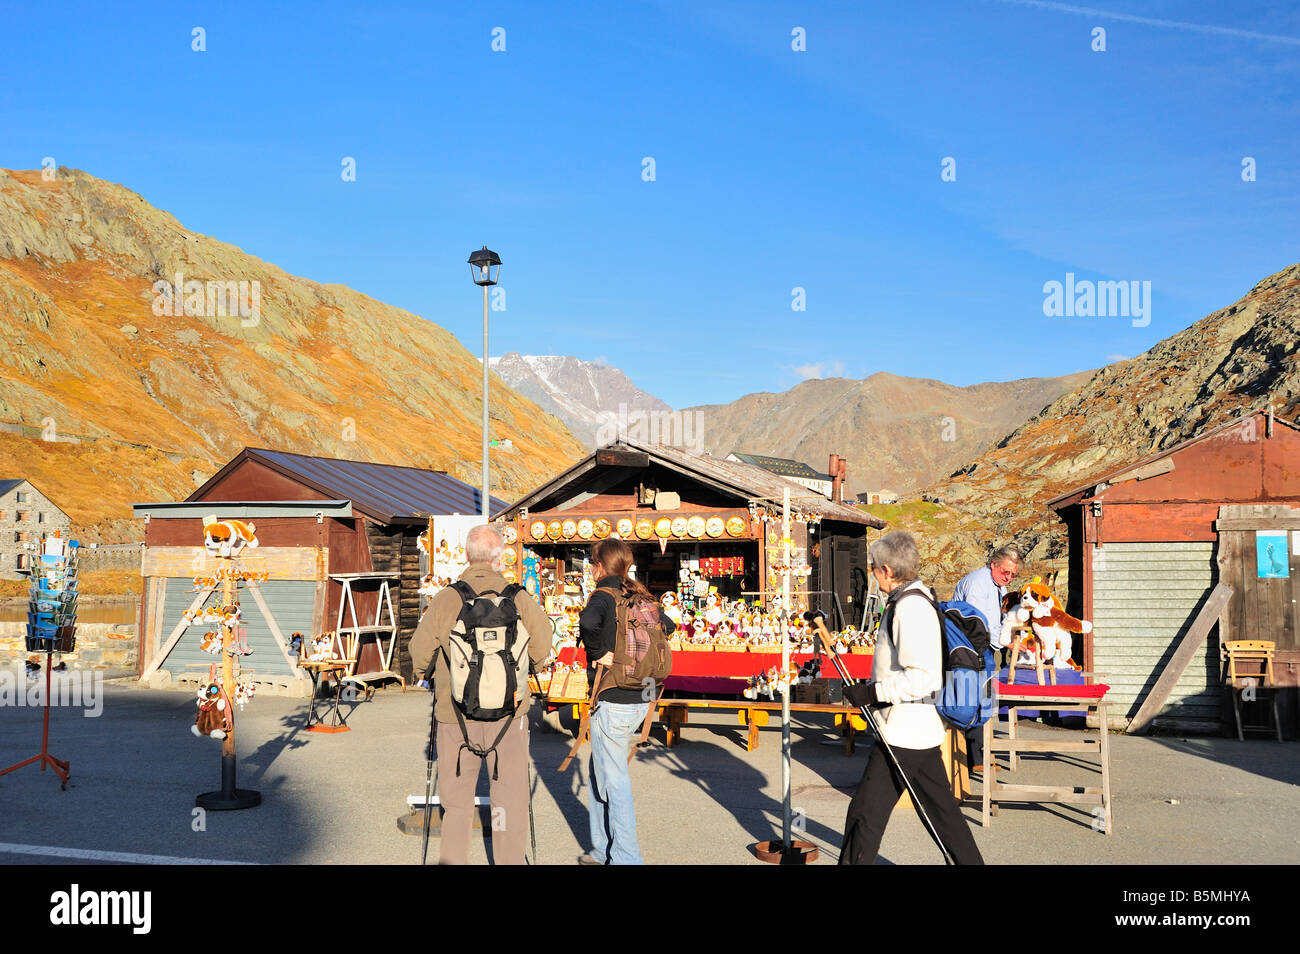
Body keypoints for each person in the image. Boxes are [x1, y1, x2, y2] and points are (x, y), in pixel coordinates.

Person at [409, 525, 553, 865]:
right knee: (508, 801)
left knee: (457, 804)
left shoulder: (447, 598)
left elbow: (418, 652)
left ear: (466, 556)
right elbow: (543, 647)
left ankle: (454, 861)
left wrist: (428, 671)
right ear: (498, 558)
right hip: (510, 717)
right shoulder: (518, 597)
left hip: (454, 715)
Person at [840, 530, 984, 865]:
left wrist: (873, 692)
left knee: (866, 814)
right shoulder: (915, 600)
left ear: (887, 571)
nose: (874, 575)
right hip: (915, 728)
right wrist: (873, 686)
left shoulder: (910, 608)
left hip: (904, 730)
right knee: (943, 815)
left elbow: (923, 676)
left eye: (874, 568)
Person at [577, 538, 676, 865]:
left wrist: (600, 653)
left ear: (601, 566)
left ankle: (626, 858)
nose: (591, 569)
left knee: (615, 781)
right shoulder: (641, 595)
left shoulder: (603, 596)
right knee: (597, 774)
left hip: (614, 698)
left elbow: (588, 623)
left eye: (593, 563)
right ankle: (600, 848)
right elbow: (670, 626)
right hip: (642, 696)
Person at [951, 545, 1021, 772]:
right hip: (969, 649)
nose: (1008, 578)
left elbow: (997, 620)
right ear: (993, 564)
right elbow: (978, 623)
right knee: (971, 700)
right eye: (1005, 572)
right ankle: (972, 758)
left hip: (984, 649)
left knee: (985, 700)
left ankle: (979, 756)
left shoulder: (997, 585)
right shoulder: (978, 584)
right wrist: (1006, 641)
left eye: (1012, 575)